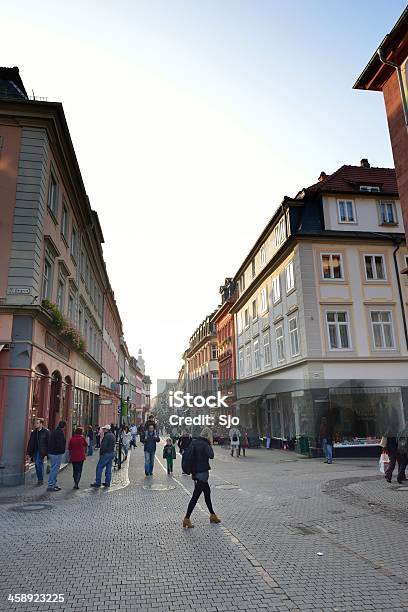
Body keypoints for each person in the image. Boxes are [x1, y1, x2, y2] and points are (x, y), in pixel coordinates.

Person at [183, 427, 221, 528]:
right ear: (208, 436)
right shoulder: (205, 444)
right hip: (202, 474)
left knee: (207, 493)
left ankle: (212, 515)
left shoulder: (195, 442)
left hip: (196, 472)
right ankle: (186, 518)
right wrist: (210, 444)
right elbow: (211, 455)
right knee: (195, 497)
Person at [27, 418, 49, 485]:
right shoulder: (34, 432)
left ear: (41, 424)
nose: (35, 424)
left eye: (37, 423)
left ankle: (40, 480)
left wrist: (47, 453)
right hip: (35, 450)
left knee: (37, 463)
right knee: (39, 464)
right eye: (35, 423)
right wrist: (28, 453)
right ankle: (41, 478)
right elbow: (30, 442)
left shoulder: (46, 431)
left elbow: (49, 443)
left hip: (42, 451)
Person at [47, 420, 66, 492]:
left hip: (52, 452)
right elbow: (59, 444)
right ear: (63, 427)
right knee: (54, 469)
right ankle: (51, 485)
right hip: (56, 453)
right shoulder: (59, 433)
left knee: (54, 469)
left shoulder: (55, 431)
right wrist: (61, 451)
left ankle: (53, 484)